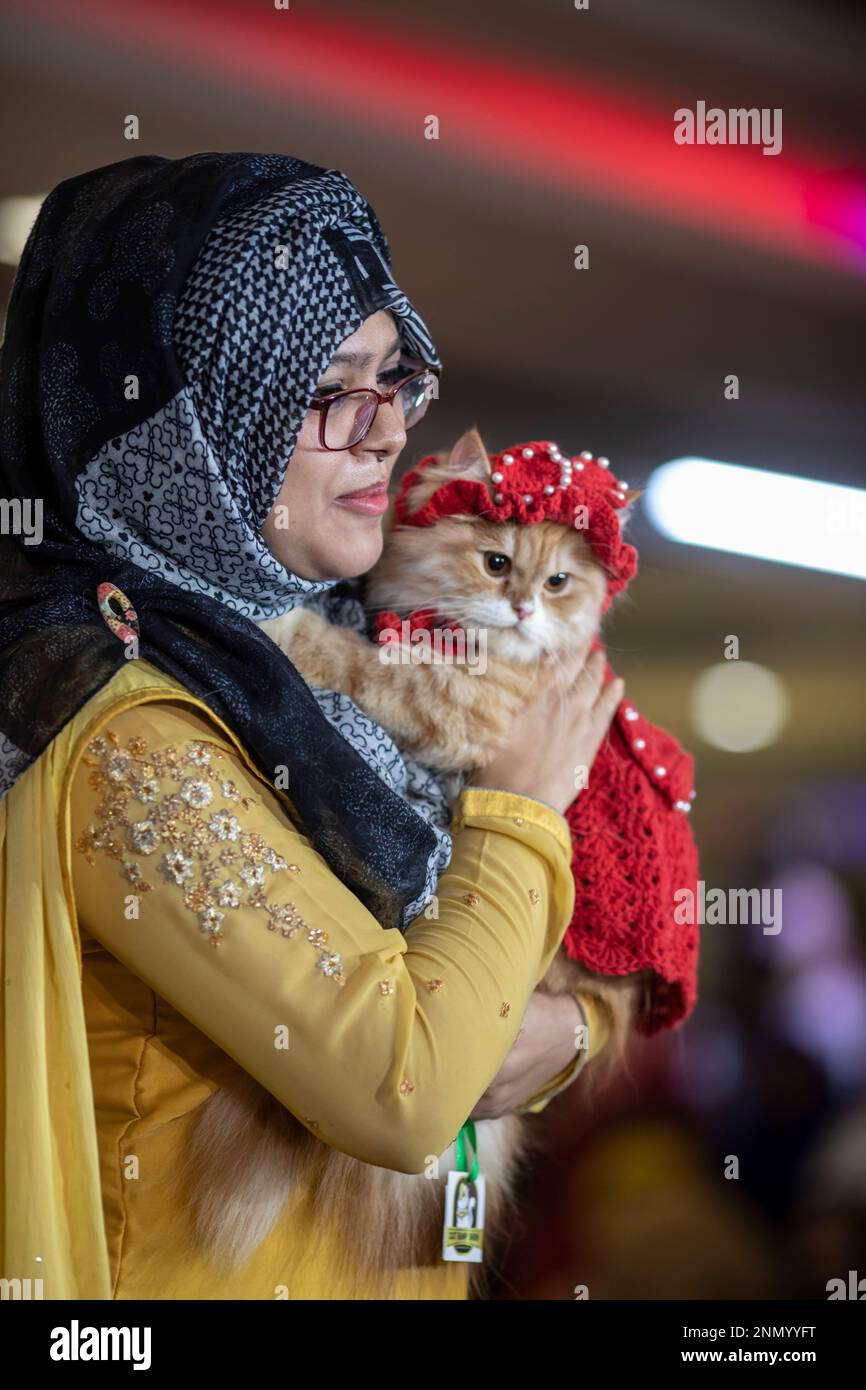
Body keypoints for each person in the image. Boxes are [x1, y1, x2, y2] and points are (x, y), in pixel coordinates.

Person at [0, 153, 622, 1300]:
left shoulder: (360, 662)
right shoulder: (123, 720)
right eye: (331, 387)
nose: (383, 432)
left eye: (396, 380)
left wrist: (572, 1036)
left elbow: (484, 992)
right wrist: (522, 808)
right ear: (190, 424)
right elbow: (401, 1083)